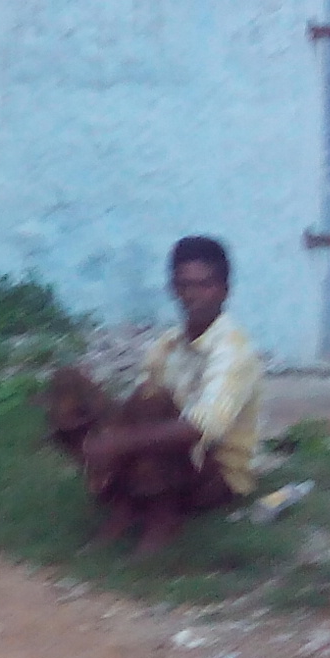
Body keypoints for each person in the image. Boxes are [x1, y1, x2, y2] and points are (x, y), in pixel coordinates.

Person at [74, 235, 265, 549]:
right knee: (90, 394)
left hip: (217, 474)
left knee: (153, 409)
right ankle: (125, 508)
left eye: (204, 285)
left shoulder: (234, 350)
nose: (192, 296)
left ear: (224, 291)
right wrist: (104, 432)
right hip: (169, 458)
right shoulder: (169, 344)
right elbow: (138, 406)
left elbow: (202, 428)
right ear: (172, 289)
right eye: (184, 286)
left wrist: (119, 443)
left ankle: (161, 524)